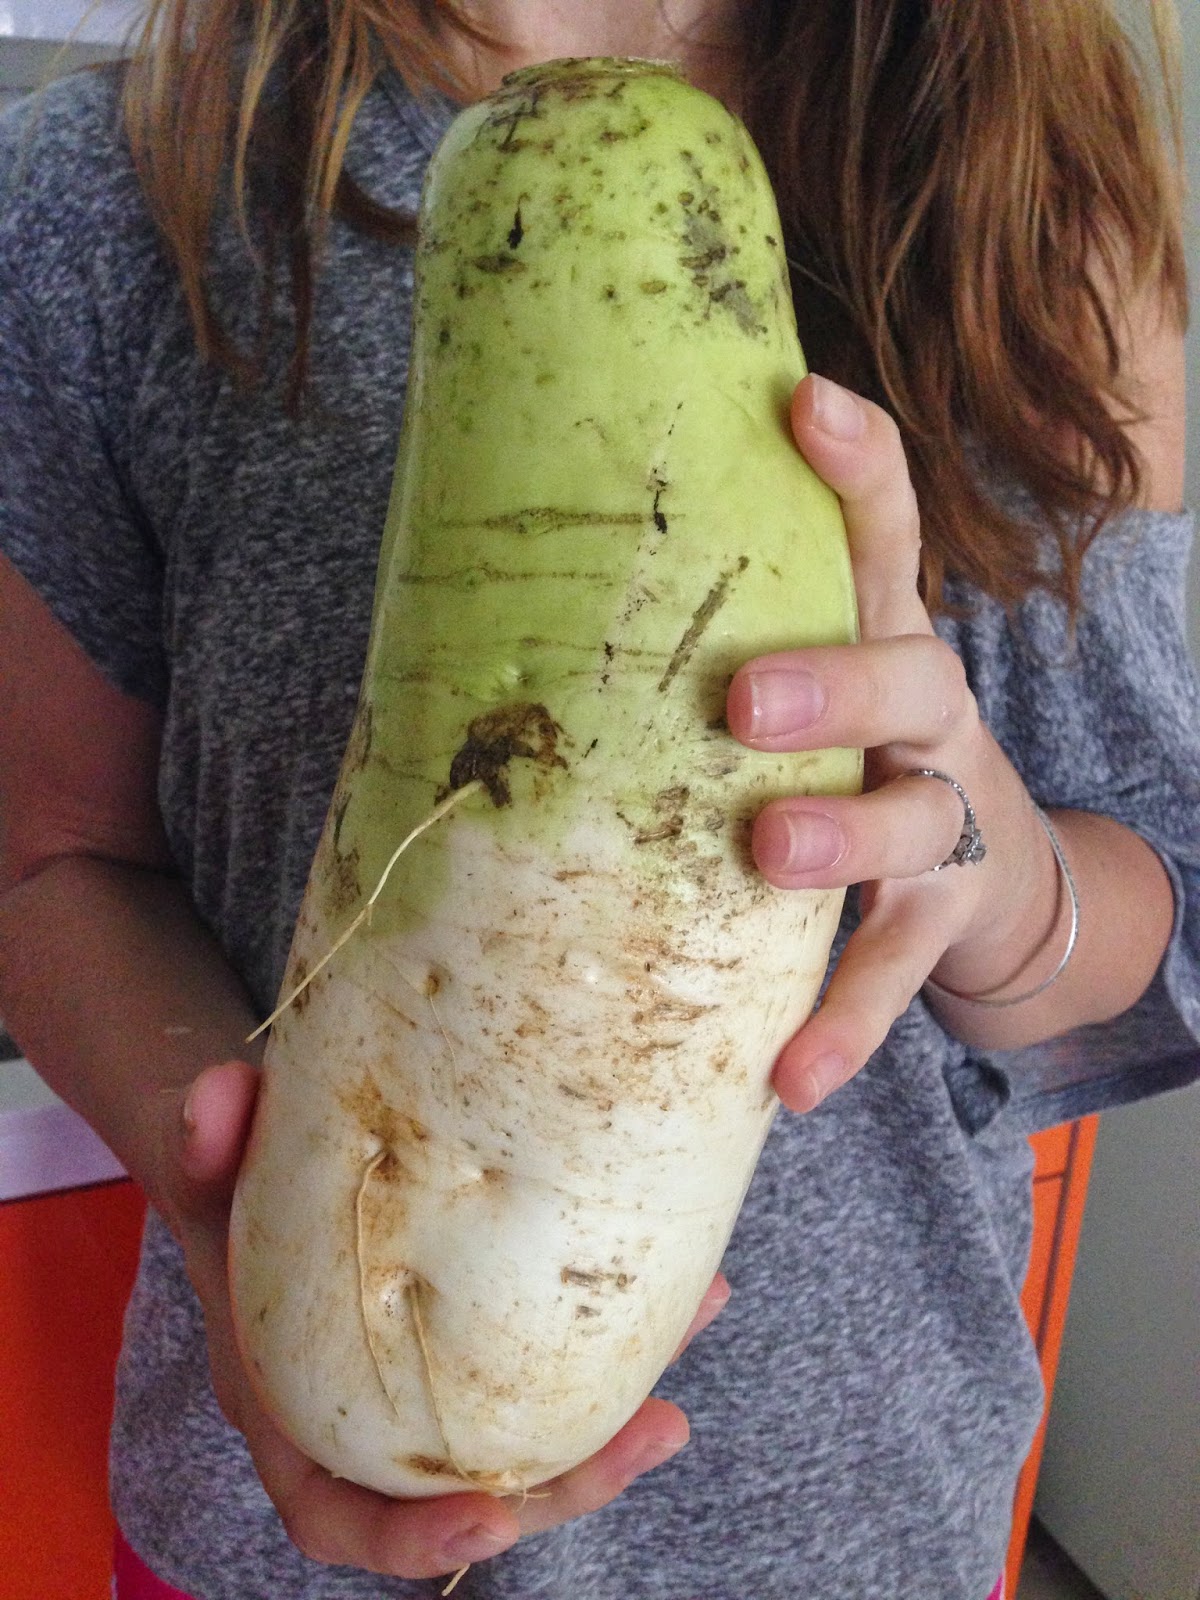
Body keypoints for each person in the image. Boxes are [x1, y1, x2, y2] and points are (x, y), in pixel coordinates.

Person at [0, 1, 1196, 1596]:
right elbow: (55, 857)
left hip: (853, 1521)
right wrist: (206, 1167)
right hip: (270, 1506)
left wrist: (993, 866)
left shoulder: (1035, 189)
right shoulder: (115, 186)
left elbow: (1162, 887)